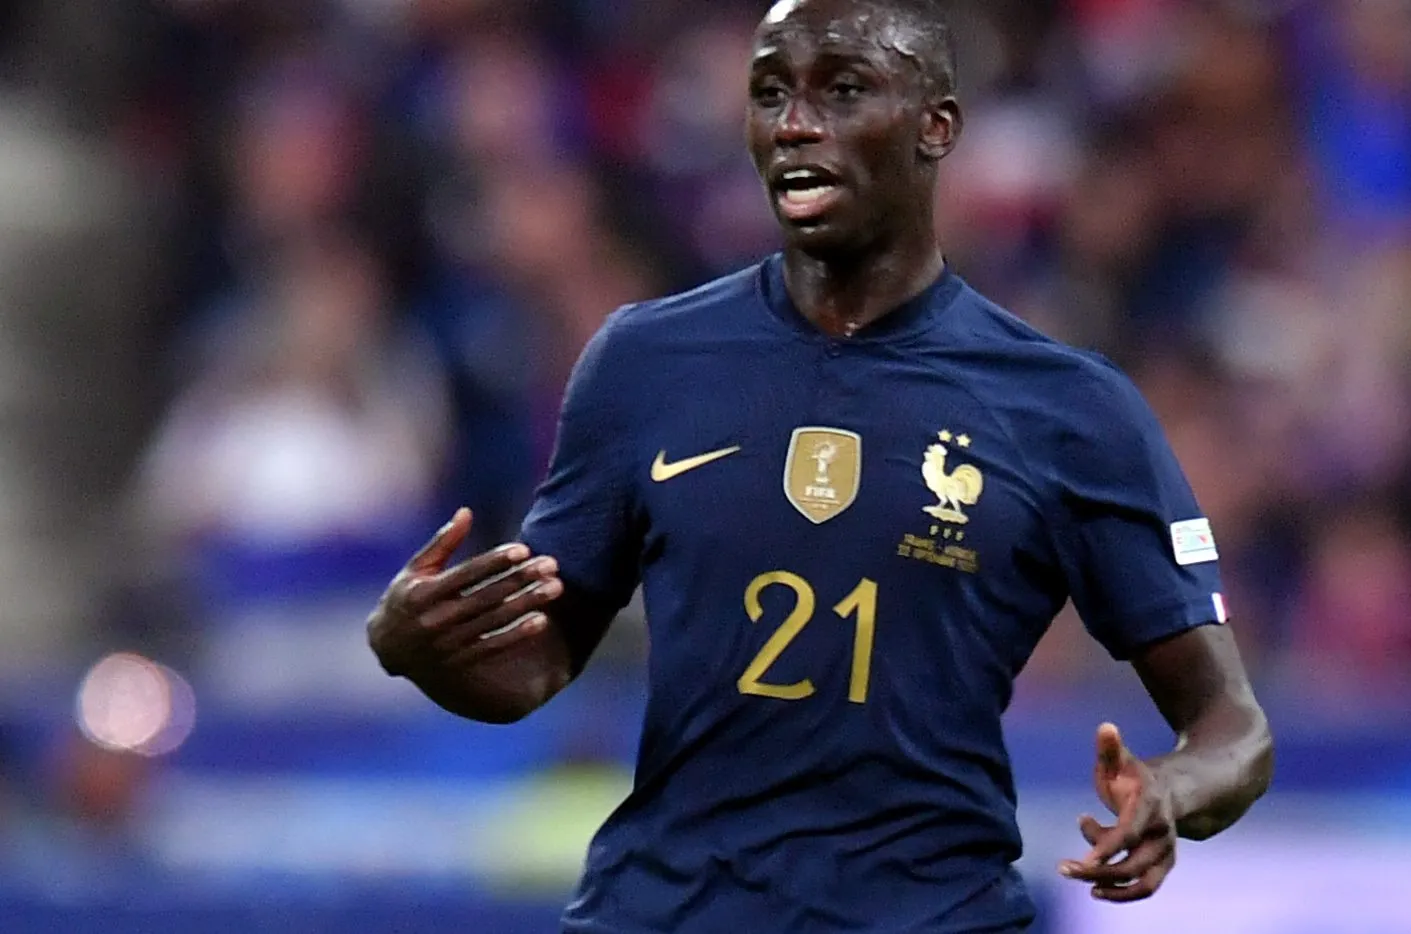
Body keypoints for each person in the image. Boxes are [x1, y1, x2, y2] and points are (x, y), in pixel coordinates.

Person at [366, 0, 1273, 930]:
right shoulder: (643, 361)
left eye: (843, 89)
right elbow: (539, 666)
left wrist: (1172, 788)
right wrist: (418, 656)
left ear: (936, 126)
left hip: (926, 916)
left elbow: (1234, 729)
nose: (796, 122)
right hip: (668, 911)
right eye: (771, 92)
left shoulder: (1067, 409)